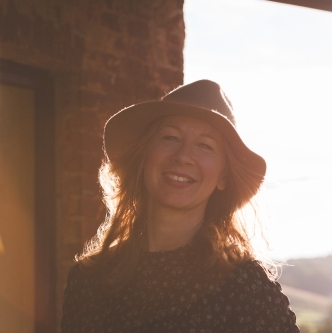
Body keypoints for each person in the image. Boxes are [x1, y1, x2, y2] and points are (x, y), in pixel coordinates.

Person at [61, 80, 299, 332]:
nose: (183, 156)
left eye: (205, 145)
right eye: (171, 137)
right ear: (144, 156)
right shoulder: (89, 279)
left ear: (223, 177)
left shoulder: (244, 286)